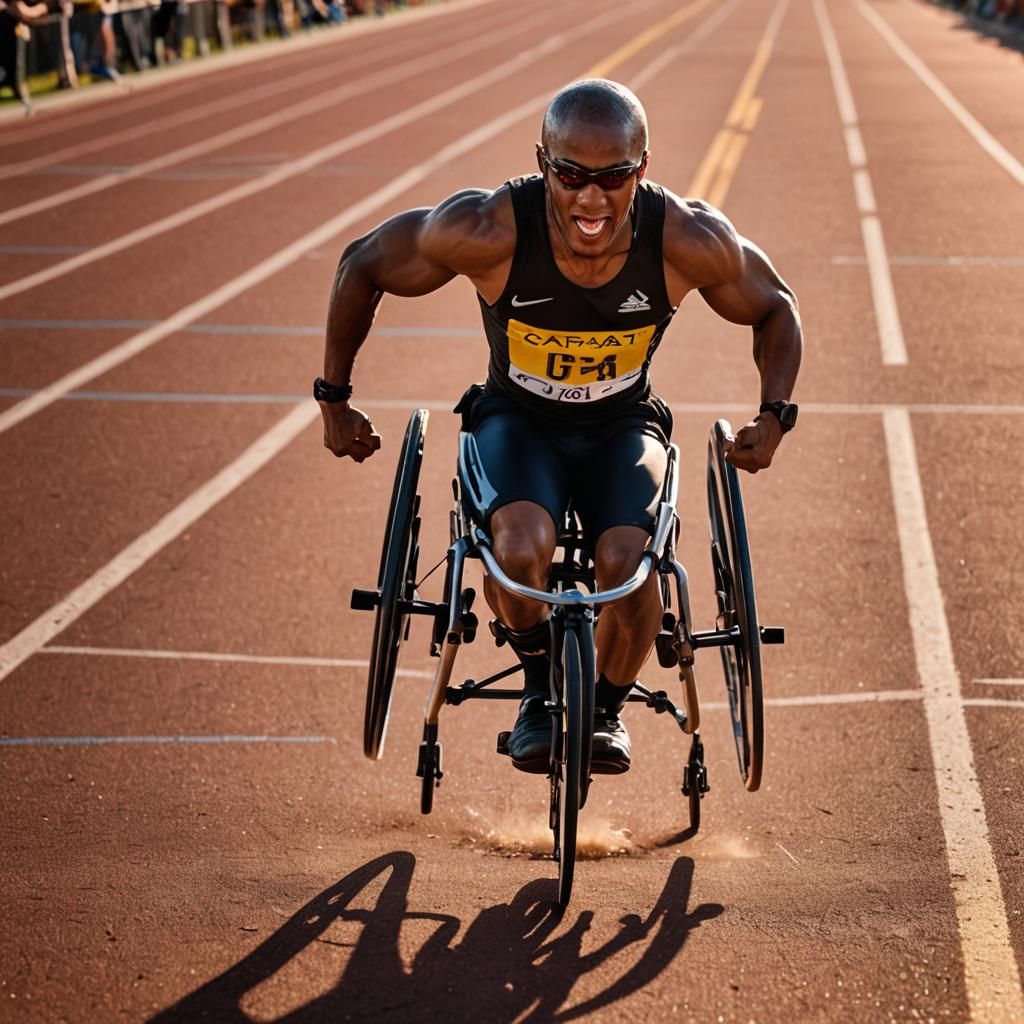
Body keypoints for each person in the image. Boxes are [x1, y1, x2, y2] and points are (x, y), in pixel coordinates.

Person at [317, 79, 802, 775]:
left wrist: (774, 415)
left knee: (631, 566)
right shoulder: (488, 230)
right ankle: (540, 682)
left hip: (623, 427)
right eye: (571, 173)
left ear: (644, 166)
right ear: (542, 161)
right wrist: (334, 399)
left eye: (614, 176)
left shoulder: (685, 240)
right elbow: (363, 263)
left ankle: (604, 708)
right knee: (519, 549)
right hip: (518, 422)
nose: (591, 198)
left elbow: (776, 306)